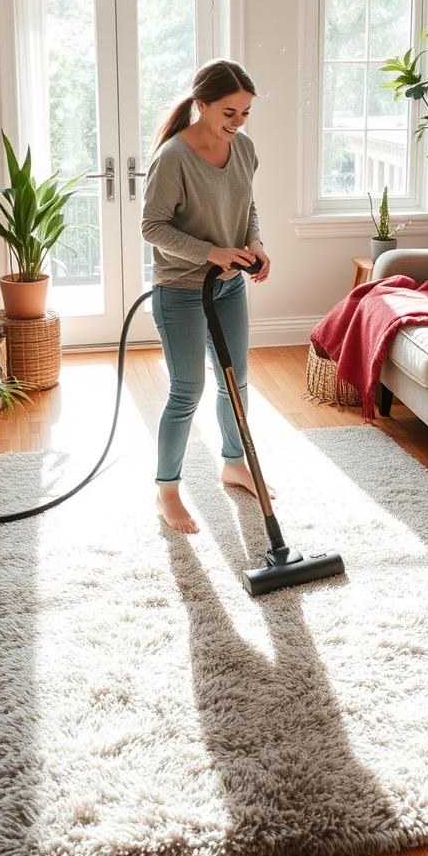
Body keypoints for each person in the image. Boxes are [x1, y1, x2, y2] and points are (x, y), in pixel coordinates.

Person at [141, 59, 271, 535]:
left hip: (229, 285)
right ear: (201, 105)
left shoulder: (244, 149)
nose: (238, 123)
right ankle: (167, 490)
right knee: (186, 390)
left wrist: (254, 242)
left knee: (236, 381)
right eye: (229, 113)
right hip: (179, 289)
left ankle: (234, 464)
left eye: (245, 113)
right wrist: (211, 251)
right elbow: (151, 227)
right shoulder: (174, 157)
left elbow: (246, 203)